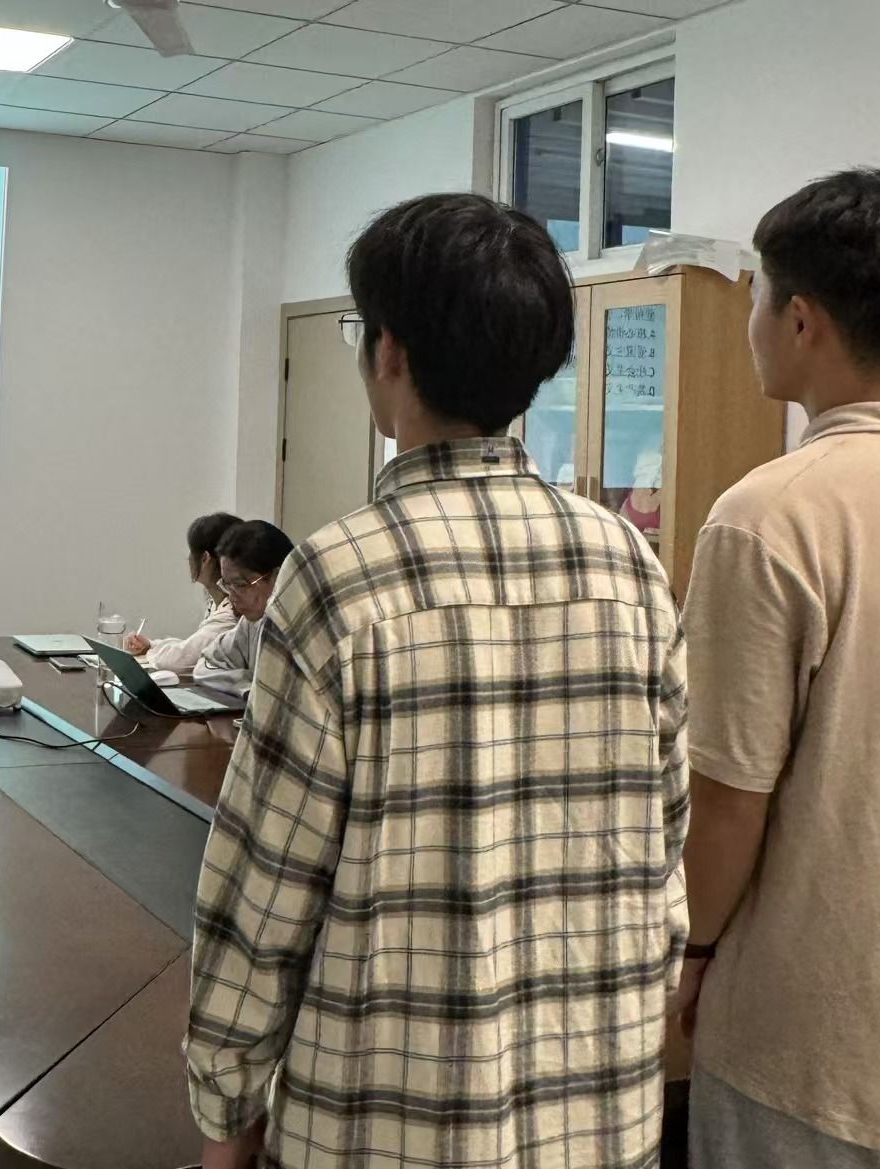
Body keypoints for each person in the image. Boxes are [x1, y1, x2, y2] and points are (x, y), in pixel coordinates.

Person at [185, 193, 688, 1169]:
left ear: (389, 352)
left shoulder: (338, 576)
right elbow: (663, 854)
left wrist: (225, 1108)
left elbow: (263, 894)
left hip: (383, 1121)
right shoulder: (628, 563)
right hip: (597, 1114)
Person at [676, 168, 880, 1166]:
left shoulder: (768, 515)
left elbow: (728, 798)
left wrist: (689, 948)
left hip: (807, 1036)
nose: (752, 322)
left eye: (758, 296)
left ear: (800, 319)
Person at [125, 511, 241, 673]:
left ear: (205, 558)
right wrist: (151, 646)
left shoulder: (232, 612)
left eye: (192, 551)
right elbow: (193, 645)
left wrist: (151, 652)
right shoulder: (217, 602)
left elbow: (179, 660)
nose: (189, 558)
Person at [193, 520, 292, 675]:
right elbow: (207, 662)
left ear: (277, 576)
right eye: (227, 584)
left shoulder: (310, 628)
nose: (232, 597)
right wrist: (245, 685)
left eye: (240, 585)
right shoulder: (250, 624)